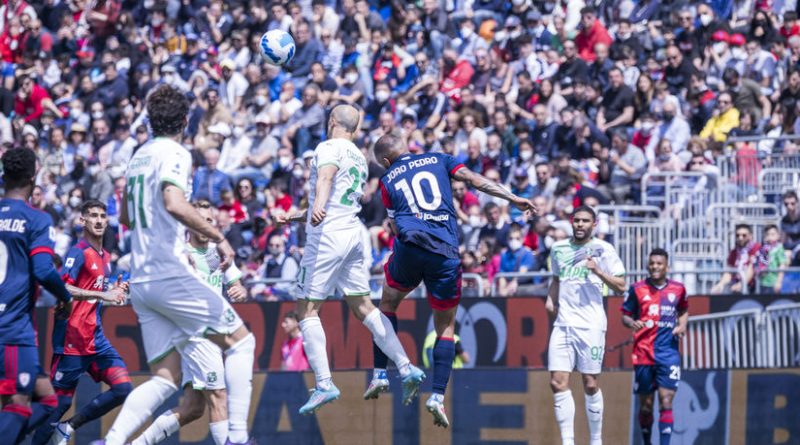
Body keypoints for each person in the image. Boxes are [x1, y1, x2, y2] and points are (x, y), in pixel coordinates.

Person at [97, 85, 256, 445]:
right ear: (186, 121)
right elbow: (173, 201)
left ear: (151, 121)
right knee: (242, 344)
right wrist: (218, 236)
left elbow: (124, 214)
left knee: (165, 379)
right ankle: (237, 438)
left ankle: (113, 442)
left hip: (141, 280)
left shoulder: (139, 155)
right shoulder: (176, 152)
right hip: (169, 271)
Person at [365, 133, 536, 428]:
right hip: (444, 250)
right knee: (445, 326)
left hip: (410, 245)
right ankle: (437, 396)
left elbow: (393, 225)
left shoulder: (387, 179)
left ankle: (380, 373)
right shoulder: (440, 159)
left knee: (387, 304)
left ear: (384, 161)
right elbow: (474, 180)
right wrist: (513, 198)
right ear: (406, 147)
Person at [276, 104, 423, 415]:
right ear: (355, 130)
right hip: (353, 233)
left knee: (306, 309)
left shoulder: (327, 147)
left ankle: (324, 382)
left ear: (331, 121)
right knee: (363, 306)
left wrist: (314, 205)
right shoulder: (358, 154)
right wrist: (296, 216)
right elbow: (337, 201)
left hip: (328, 235)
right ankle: (406, 365)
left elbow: (326, 181)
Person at [131, 201, 250, 445]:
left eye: (210, 222)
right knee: (219, 396)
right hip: (198, 334)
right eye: (201, 220)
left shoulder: (219, 253)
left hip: (210, 335)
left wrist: (239, 291)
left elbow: (237, 285)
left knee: (193, 408)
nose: (205, 226)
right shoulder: (181, 254)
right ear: (189, 222)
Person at [33, 200, 130, 445]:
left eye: (102, 216)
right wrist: (103, 294)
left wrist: (114, 289)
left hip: (95, 338)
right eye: (93, 216)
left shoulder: (105, 256)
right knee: (60, 403)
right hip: (72, 338)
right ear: (82, 221)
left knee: (123, 388)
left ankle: (69, 427)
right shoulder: (78, 252)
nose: (98, 220)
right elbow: (63, 286)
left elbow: (93, 289)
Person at [0, 149, 73, 443]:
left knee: (47, 400)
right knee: (18, 404)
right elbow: (43, 269)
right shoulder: (36, 219)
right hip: (12, 328)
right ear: (33, 178)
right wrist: (65, 297)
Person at [546, 205, 626, 445]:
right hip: (563, 324)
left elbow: (621, 286)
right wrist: (550, 299)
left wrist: (598, 271)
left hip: (591, 325)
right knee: (557, 382)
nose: (580, 224)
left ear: (594, 224)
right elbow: (557, 279)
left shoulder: (604, 249)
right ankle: (568, 442)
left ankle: (595, 440)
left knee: (590, 384)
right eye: (576, 220)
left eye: (585, 221)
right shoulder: (558, 249)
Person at [621, 248, 688, 445]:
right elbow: (625, 314)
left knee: (666, 400)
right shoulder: (637, 288)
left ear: (667, 266)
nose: (654, 267)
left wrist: (682, 325)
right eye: (652, 263)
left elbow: (684, 310)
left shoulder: (678, 289)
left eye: (659, 263)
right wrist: (631, 322)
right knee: (646, 406)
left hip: (668, 353)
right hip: (643, 353)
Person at [711, 224, 761, 294]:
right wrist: (720, 285)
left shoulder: (756, 248)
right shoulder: (733, 252)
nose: (740, 238)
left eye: (744, 235)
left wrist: (742, 284)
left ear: (750, 236)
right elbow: (729, 272)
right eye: (737, 235)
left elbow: (751, 268)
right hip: (736, 283)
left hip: (753, 286)